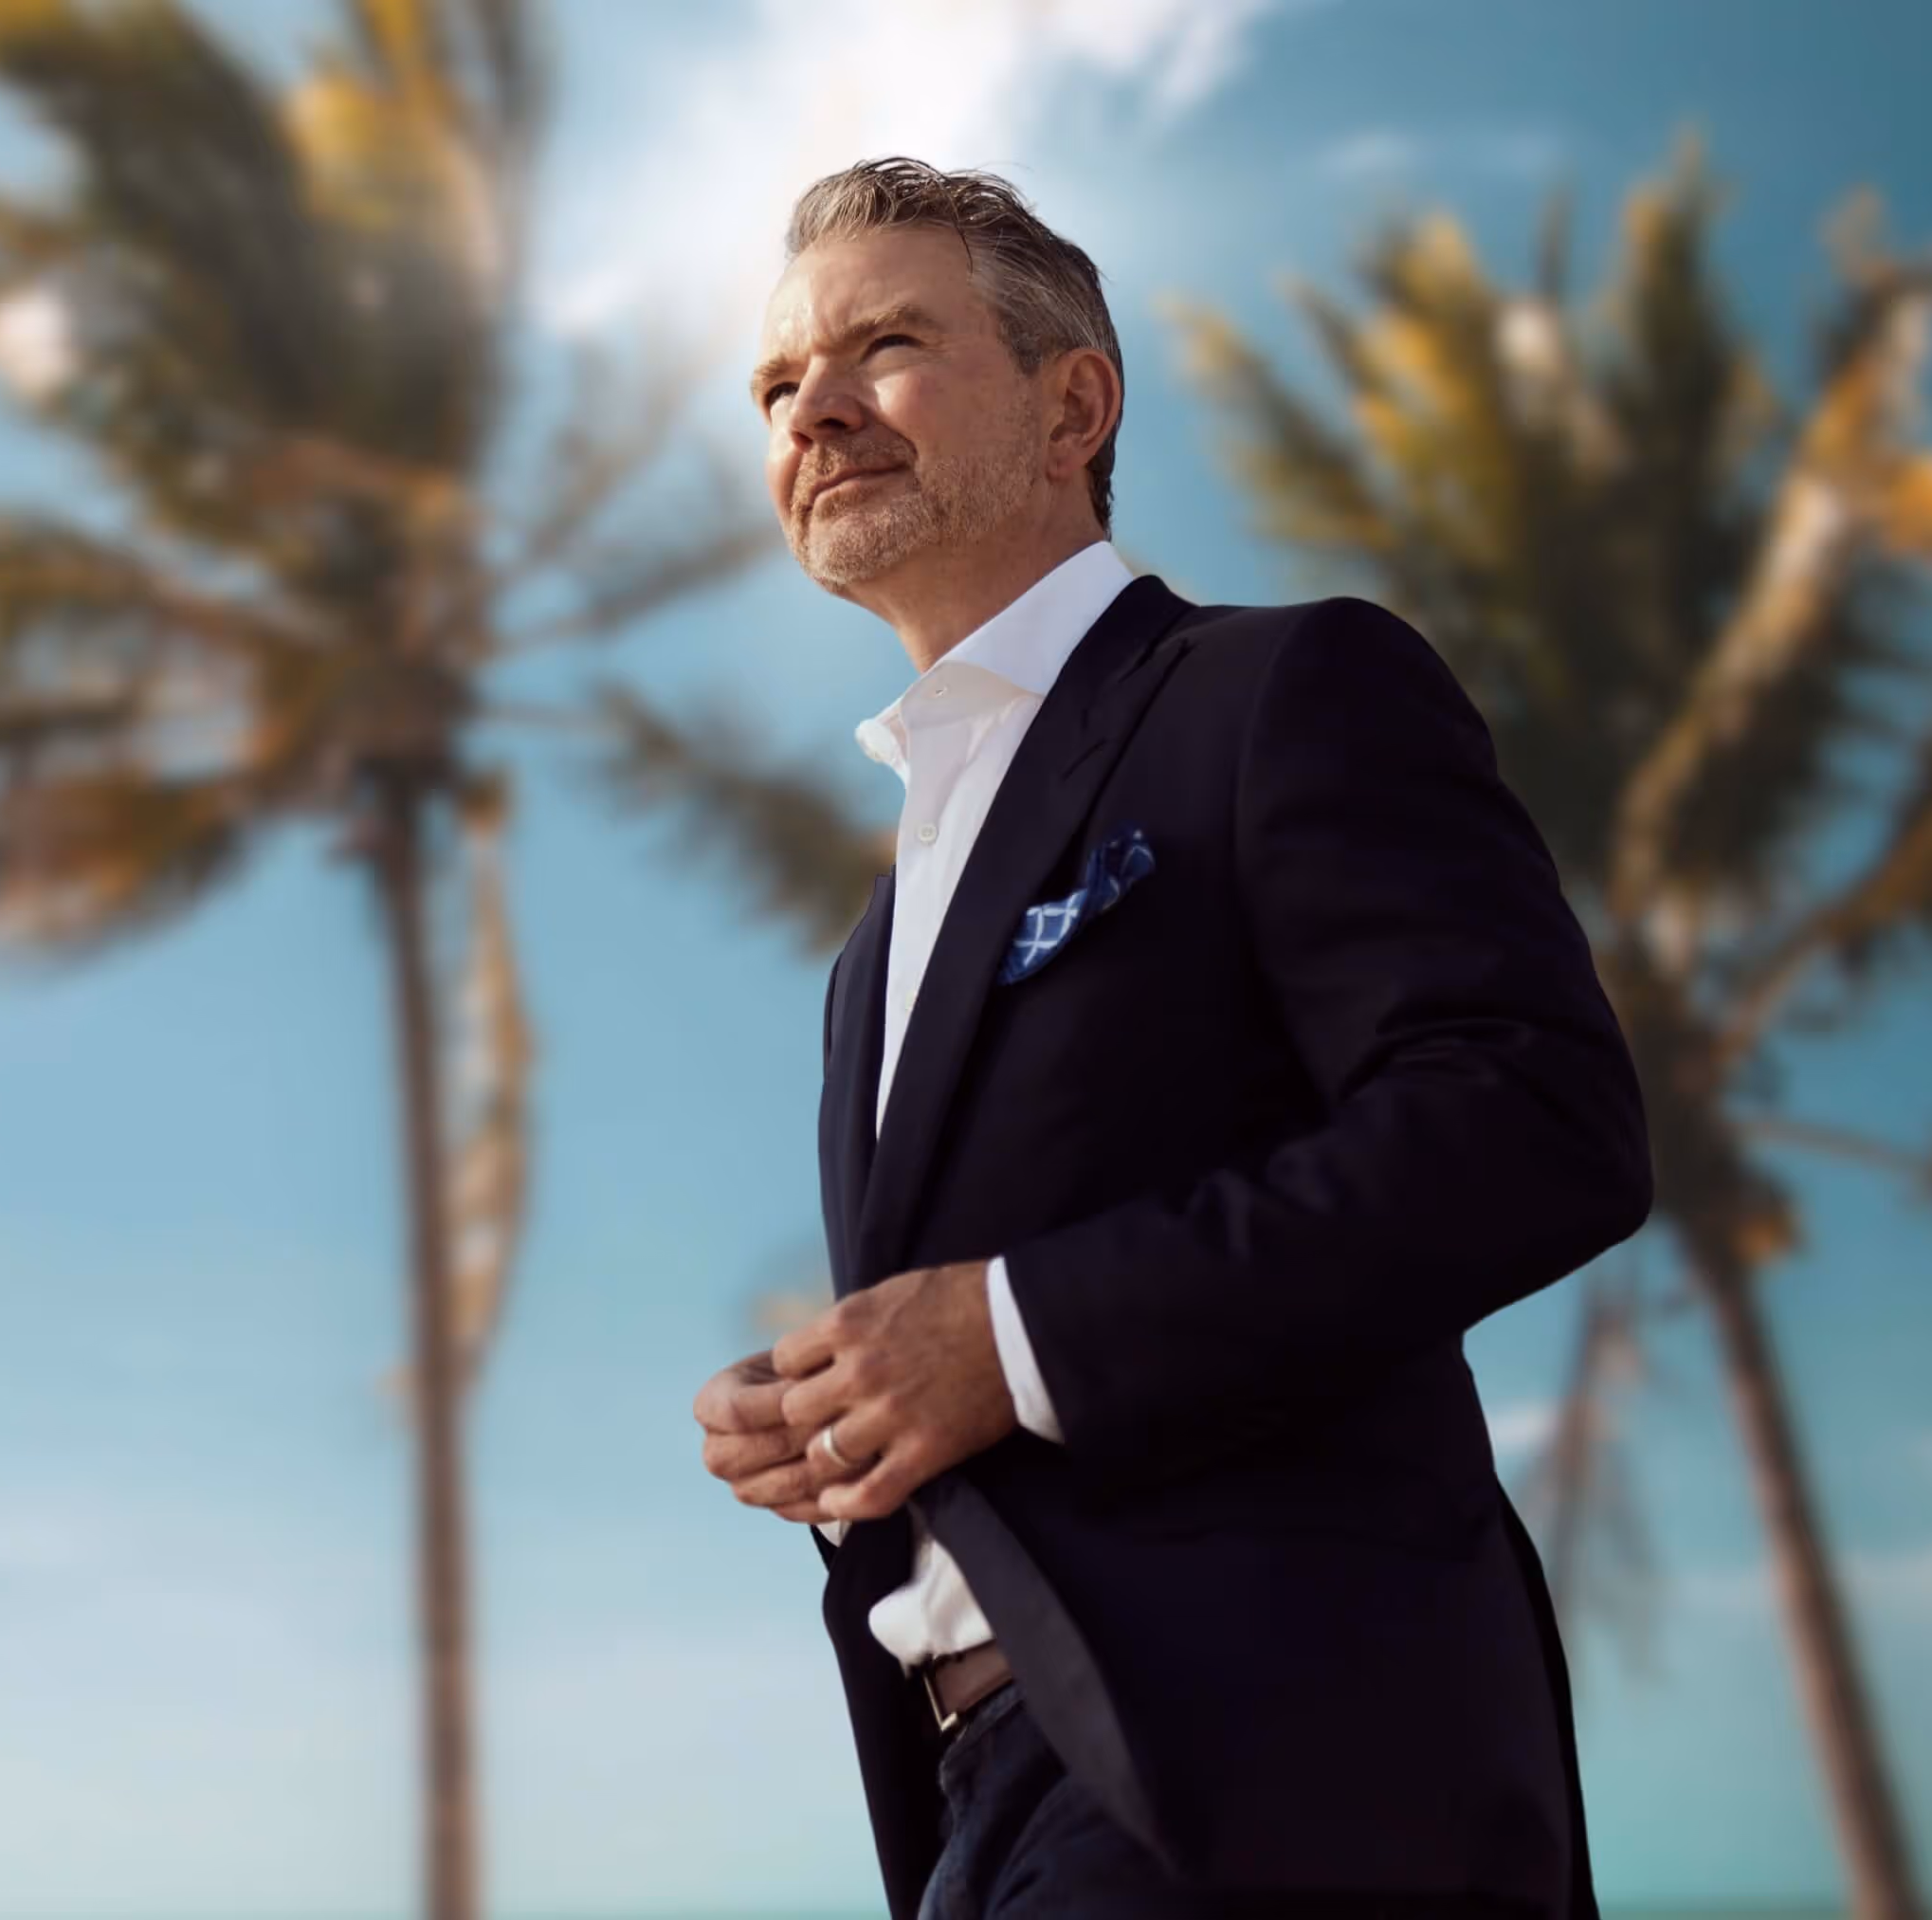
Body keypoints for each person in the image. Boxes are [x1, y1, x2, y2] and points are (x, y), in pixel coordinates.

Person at [690, 157, 1652, 1920]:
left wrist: (1012, 1336)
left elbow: (1534, 1117)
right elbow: (980, 1336)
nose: (811, 410)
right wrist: (847, 1427)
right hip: (981, 1805)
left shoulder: (1281, 690)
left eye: (884, 346)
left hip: (1278, 1769)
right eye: (774, 384)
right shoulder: (871, 953)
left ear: (1075, 407)